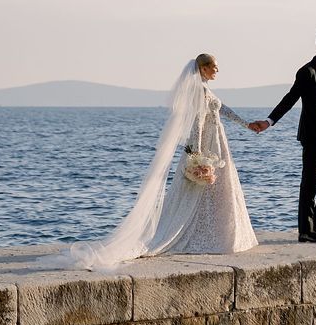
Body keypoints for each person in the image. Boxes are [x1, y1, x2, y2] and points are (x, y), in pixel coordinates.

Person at [64, 53, 259, 269]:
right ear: (203, 69)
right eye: (214, 67)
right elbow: (199, 122)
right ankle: (206, 234)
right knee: (199, 191)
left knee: (214, 191)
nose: (217, 71)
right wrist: (199, 155)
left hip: (216, 141)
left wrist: (247, 124)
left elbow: (222, 110)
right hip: (208, 145)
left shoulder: (205, 89)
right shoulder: (199, 90)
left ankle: (213, 232)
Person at [249, 30, 316, 244]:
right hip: (313, 135)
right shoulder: (307, 71)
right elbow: (290, 98)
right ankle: (306, 231)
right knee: (310, 181)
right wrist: (269, 122)